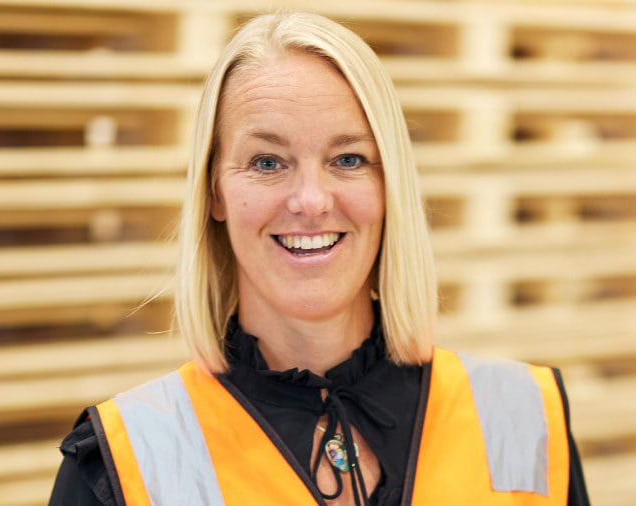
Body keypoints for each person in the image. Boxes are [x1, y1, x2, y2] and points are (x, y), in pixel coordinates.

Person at [49, 12, 590, 506]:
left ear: (389, 186)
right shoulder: (126, 461)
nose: (310, 200)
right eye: (267, 161)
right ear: (213, 192)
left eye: (348, 158)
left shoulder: (523, 416)